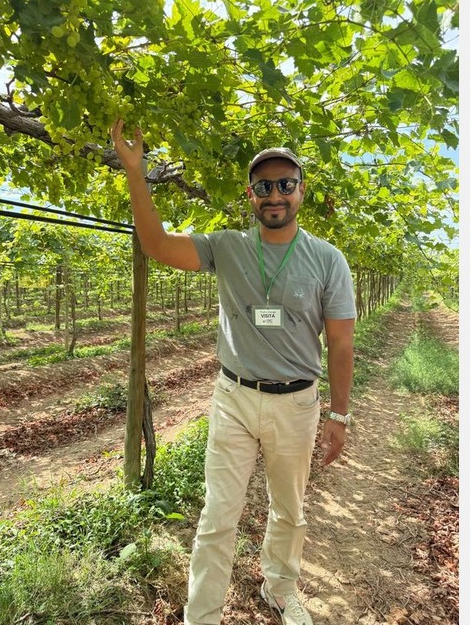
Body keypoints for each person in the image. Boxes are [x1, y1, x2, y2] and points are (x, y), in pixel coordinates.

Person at [110, 119, 356, 625]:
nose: (275, 194)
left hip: (298, 403)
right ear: (251, 194)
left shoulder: (328, 260)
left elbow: (341, 341)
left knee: (289, 509)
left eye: (286, 184)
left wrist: (340, 414)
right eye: (264, 186)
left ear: (300, 191)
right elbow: (156, 244)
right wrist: (136, 171)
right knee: (218, 516)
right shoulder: (226, 247)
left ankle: (280, 588)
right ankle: (201, 616)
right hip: (235, 398)